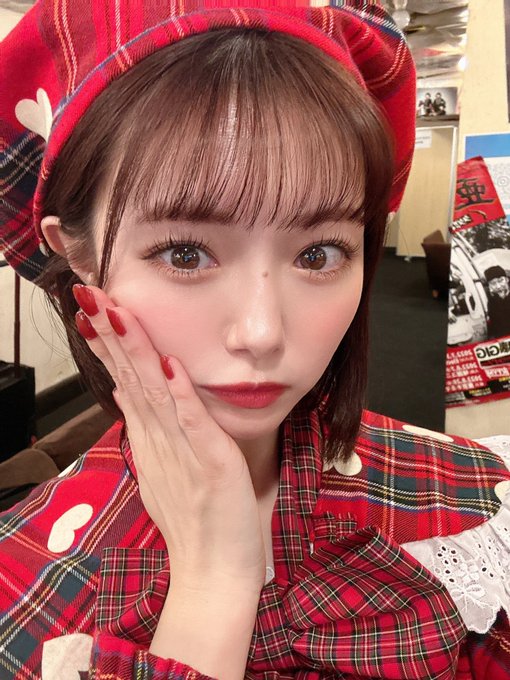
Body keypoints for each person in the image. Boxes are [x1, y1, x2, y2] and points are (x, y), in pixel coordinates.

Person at [1, 2, 510, 679]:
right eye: (185, 254)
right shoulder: (21, 573)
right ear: (80, 255)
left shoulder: (479, 514)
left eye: (319, 254)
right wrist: (213, 582)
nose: (262, 333)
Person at [485, 265, 510, 339]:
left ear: (507, 279)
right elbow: (494, 326)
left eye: (500, 280)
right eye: (493, 283)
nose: (498, 286)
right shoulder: (492, 302)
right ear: (489, 286)